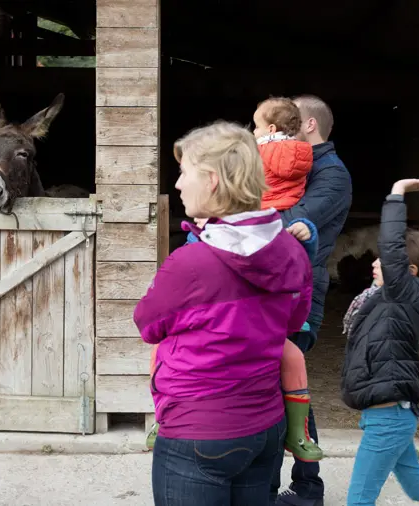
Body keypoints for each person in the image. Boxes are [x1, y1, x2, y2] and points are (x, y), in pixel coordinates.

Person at [134, 121, 314, 505]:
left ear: (212, 180)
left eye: (184, 173)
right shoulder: (292, 250)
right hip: (264, 427)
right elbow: (292, 324)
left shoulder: (192, 262)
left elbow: (148, 325)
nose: (178, 184)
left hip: (198, 432)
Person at [341, 178, 419, 506]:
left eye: (383, 260)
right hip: (389, 415)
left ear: (408, 270)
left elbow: (392, 249)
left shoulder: (408, 295)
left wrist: (397, 193)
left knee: (358, 500)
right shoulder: (390, 299)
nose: (374, 262)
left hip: (389, 417)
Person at [272, 94, 353, 506]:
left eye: (288, 123)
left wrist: (238, 215)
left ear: (309, 126)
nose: (276, 132)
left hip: (302, 288)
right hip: (272, 286)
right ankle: (274, 485)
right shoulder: (285, 166)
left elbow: (290, 222)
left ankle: (307, 488)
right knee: (276, 383)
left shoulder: (332, 175)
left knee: (288, 382)